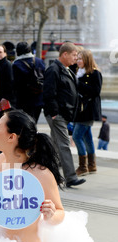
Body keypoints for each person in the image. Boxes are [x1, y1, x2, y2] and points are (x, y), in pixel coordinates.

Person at [0, 108, 65, 242]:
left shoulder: (40, 173)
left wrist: (50, 215)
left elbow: (60, 212)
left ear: (11, 137)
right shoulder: (2, 161)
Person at [43, 42, 86, 188]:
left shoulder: (66, 69)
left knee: (55, 145)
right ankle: (70, 177)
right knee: (64, 144)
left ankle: (47, 172)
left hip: (62, 114)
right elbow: (49, 93)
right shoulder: (54, 70)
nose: (76, 58)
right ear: (65, 54)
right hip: (58, 115)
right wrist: (54, 113)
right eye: (74, 55)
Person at [72, 49, 102, 175]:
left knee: (76, 137)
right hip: (80, 110)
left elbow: (95, 92)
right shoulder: (78, 72)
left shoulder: (95, 73)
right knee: (87, 138)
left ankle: (83, 167)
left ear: (87, 59)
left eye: (80, 58)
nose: (78, 61)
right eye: (77, 58)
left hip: (88, 111)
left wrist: (78, 83)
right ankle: (92, 165)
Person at [12, 41, 45, 123]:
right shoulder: (39, 61)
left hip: (23, 99)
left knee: (25, 123)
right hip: (38, 98)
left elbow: (15, 84)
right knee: (34, 121)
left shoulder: (16, 64)